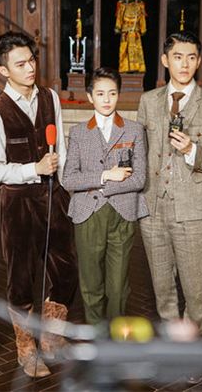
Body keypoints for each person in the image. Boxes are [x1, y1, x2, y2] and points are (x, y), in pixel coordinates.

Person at [0, 31, 77, 378]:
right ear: (3, 70)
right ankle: (26, 349)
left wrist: (65, 186)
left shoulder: (50, 98)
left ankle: (51, 338)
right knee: (21, 278)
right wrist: (32, 169)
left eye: (31, 60)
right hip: (17, 202)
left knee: (65, 271)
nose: (30, 68)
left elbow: (61, 148)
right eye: (20, 64)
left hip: (54, 196)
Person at [137, 31, 202, 342]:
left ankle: (190, 342)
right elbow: (140, 150)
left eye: (191, 57)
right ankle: (171, 340)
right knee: (162, 285)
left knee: (195, 286)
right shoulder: (148, 101)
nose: (184, 64)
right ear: (165, 60)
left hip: (194, 210)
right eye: (178, 57)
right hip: (152, 208)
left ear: (199, 61)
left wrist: (192, 150)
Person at [62, 67, 148, 325]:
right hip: (88, 214)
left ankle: (115, 338)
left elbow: (139, 179)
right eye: (100, 94)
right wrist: (105, 176)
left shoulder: (134, 130)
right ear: (90, 97)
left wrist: (105, 189)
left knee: (118, 286)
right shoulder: (79, 132)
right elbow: (69, 179)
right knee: (91, 284)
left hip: (122, 213)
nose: (107, 99)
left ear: (118, 94)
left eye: (112, 93)